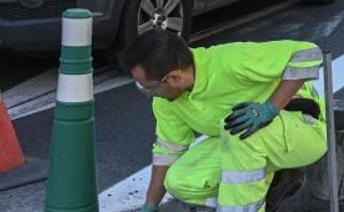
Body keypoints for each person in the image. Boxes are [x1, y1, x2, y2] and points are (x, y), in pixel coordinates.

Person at [125, 30, 327, 212]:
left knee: (239, 133)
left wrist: (271, 108)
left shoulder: (229, 61)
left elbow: (308, 53)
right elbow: (168, 151)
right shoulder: (167, 101)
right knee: (180, 181)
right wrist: (150, 205)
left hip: (304, 127)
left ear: (173, 78)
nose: (150, 94)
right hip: (243, 144)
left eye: (149, 88)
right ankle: (274, 184)